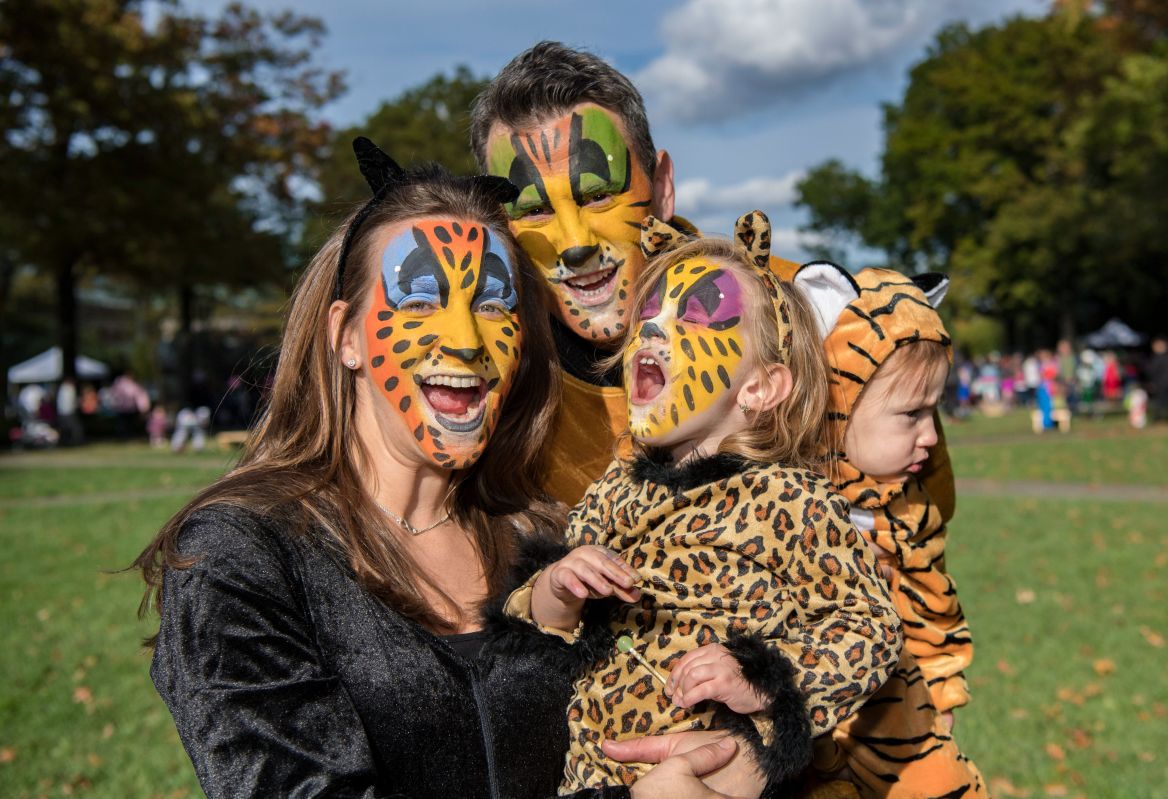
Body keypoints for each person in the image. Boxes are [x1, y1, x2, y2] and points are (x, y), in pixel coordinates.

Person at [136, 140, 751, 799]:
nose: (464, 338)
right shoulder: (239, 554)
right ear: (347, 336)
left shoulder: (547, 537)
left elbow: (648, 712)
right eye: (422, 301)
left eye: (492, 304)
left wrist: (741, 743)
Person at [470, 41, 959, 521]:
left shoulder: (815, 319)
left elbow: (920, 521)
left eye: (598, 197)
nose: (573, 243)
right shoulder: (496, 376)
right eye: (534, 210)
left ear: (661, 189)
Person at [505, 214, 902, 793]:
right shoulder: (612, 491)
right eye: (649, 315)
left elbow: (871, 628)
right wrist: (553, 590)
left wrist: (763, 680)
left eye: (695, 315)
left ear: (761, 388)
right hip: (588, 778)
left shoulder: (791, 499)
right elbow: (534, 631)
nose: (654, 332)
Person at [794, 264, 987, 797]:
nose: (931, 435)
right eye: (910, 415)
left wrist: (942, 696)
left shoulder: (909, 512)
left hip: (894, 726)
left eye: (934, 412)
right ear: (838, 401)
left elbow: (934, 608)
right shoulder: (784, 504)